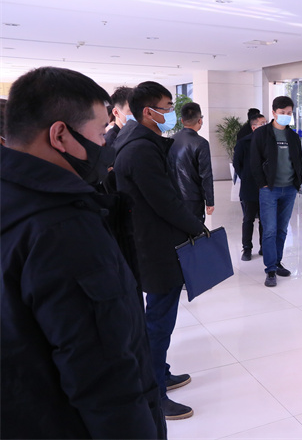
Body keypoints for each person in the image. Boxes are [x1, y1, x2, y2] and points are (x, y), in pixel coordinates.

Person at [1, 66, 165, 438]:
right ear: (60, 134)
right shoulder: (63, 228)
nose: (106, 143)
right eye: (101, 131)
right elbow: (104, 376)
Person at [114, 81, 207, 420]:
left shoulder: (138, 140)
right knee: (158, 321)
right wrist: (197, 227)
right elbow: (164, 201)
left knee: (158, 317)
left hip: (152, 241)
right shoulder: (141, 150)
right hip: (155, 246)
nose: (171, 113)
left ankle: (160, 373)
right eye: (167, 108)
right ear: (148, 112)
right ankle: (155, 394)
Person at [250, 96, 302, 287]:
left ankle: (278, 261)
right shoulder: (262, 134)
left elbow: (299, 161)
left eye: (289, 113)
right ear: (274, 113)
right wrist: (262, 184)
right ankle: (270, 269)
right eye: (282, 113)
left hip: (289, 189)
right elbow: (254, 161)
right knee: (270, 229)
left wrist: (297, 183)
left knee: (282, 229)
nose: (286, 116)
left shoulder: (293, 136)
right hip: (269, 190)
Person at [168, 102, 214, 222]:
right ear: (200, 120)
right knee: (194, 230)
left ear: (182, 120)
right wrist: (210, 201)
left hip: (173, 196)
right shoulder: (201, 143)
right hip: (193, 198)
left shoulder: (170, 140)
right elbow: (206, 175)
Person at [233, 112, 267, 260]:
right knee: (248, 219)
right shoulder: (243, 143)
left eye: (266, 123)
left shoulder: (269, 142)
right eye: (262, 124)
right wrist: (246, 177)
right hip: (249, 187)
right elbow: (237, 164)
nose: (266, 126)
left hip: (266, 187)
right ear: (254, 127)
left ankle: (264, 247)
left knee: (265, 220)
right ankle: (247, 248)